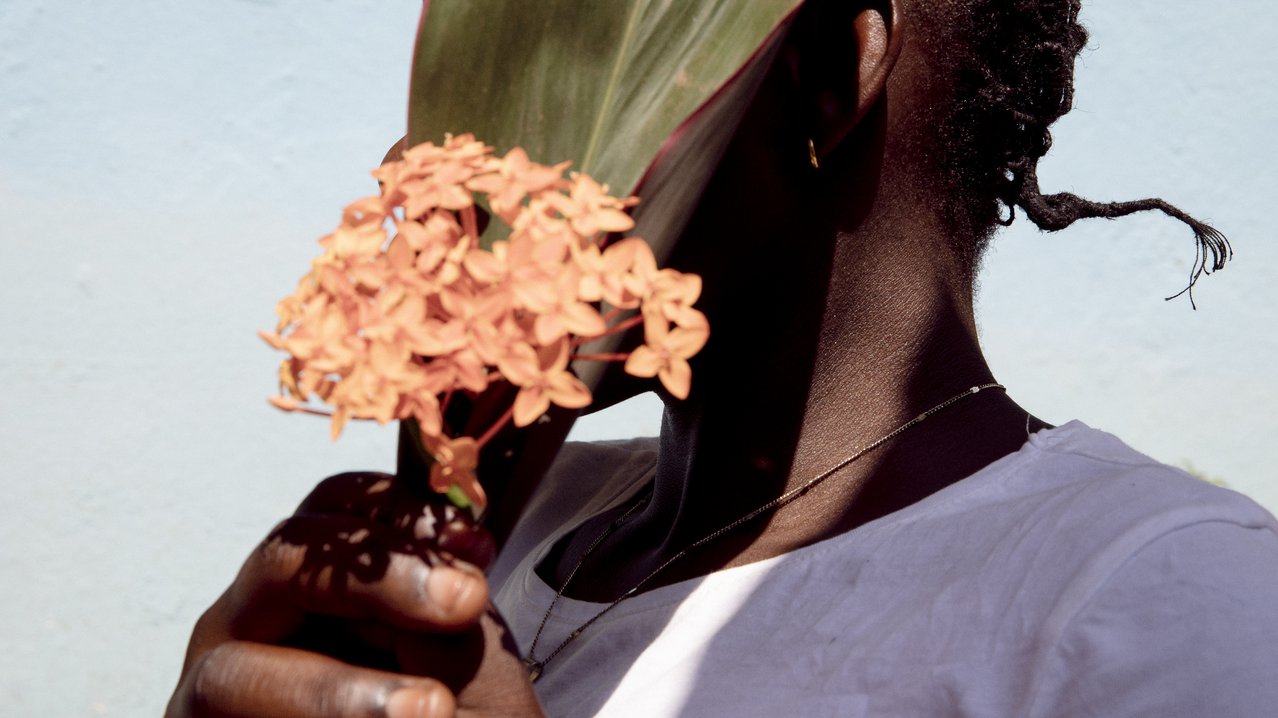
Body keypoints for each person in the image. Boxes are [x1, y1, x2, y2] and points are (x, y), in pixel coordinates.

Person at [167, 0, 1276, 716]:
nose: (474, 147)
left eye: (566, 46)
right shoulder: (513, 524)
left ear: (834, 71)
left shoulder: (1162, 600)